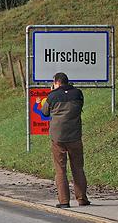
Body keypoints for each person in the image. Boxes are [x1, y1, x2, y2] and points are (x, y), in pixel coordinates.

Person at [42, 72, 90, 208]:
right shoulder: (78, 93)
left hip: (58, 137)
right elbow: (80, 107)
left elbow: (44, 112)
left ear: (56, 82)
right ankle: (82, 199)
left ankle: (64, 201)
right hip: (75, 136)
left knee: (60, 169)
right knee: (78, 168)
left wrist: (51, 95)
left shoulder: (52, 96)